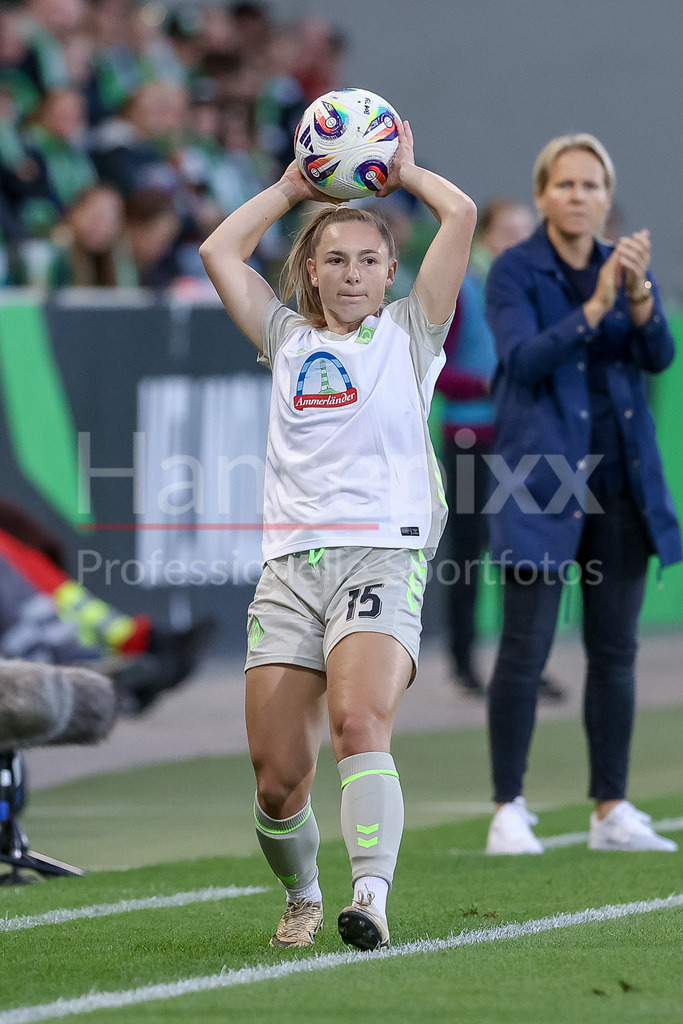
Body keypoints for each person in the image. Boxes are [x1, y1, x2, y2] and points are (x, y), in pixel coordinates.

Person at [200, 119, 476, 949]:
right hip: (288, 568)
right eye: (335, 261)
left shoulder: (409, 334)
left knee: (361, 722)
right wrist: (291, 188)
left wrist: (407, 172)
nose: (352, 274)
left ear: (391, 271)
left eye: (368, 261)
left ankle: (370, 897)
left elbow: (458, 216)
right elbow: (219, 251)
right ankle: (304, 895)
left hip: (383, 554)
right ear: (309, 273)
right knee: (279, 781)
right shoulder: (283, 337)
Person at [483, 133, 681, 855]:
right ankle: (507, 806)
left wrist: (636, 298)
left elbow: (658, 354)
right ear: (541, 196)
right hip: (538, 481)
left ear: (606, 197)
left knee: (615, 651)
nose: (578, 197)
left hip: (621, 482)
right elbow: (523, 359)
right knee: (524, 650)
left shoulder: (620, 267)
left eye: (591, 185)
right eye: (564, 185)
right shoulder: (512, 271)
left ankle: (610, 808)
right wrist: (596, 308)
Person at [436, 198, 535, 695]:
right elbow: (437, 369)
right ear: (487, 237)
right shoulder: (465, 292)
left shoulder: (530, 293)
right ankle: (463, 662)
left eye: (526, 231)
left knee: (524, 551)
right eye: (510, 231)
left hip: (520, 438)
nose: (519, 241)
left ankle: (524, 662)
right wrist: (488, 386)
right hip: (471, 436)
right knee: (470, 553)